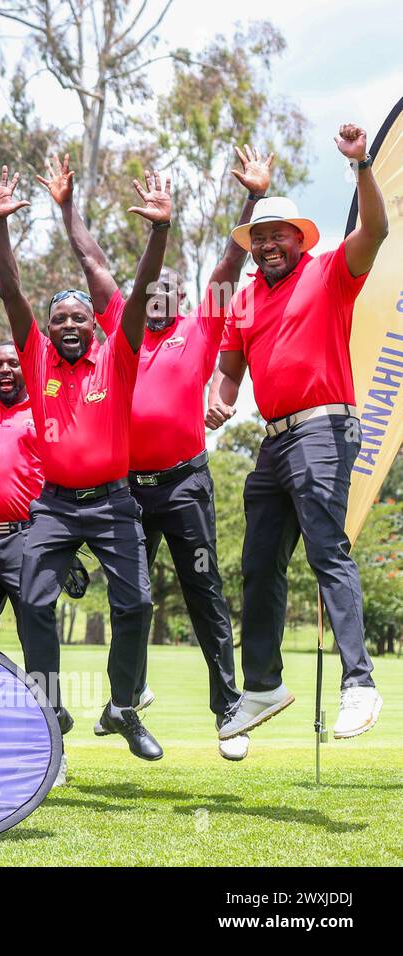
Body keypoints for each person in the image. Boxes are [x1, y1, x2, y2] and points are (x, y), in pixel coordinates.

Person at [38, 148, 272, 761]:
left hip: (184, 484)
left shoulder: (202, 327)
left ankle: (229, 710)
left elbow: (229, 263)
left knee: (203, 590)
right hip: (122, 490)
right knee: (130, 597)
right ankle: (127, 700)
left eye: (173, 287)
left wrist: (250, 201)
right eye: (154, 285)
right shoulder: (118, 324)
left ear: (184, 297)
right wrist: (66, 210)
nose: (162, 292)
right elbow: (90, 259)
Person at [0, 164, 173, 761]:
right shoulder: (36, 359)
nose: (67, 324)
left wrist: (159, 234)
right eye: (58, 317)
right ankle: (49, 709)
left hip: (114, 501)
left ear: (95, 323)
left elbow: (138, 292)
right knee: (35, 604)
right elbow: (11, 290)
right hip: (54, 504)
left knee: (137, 603)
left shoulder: (118, 355)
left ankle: (121, 707)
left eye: (77, 317)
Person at [209, 123, 388, 742]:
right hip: (273, 442)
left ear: (299, 237)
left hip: (323, 430)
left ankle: (359, 684)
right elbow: (229, 372)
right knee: (258, 563)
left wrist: (362, 165)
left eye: (276, 235)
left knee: (325, 551)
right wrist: (221, 399)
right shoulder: (244, 301)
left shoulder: (330, 270)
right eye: (257, 238)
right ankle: (262, 685)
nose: (265, 246)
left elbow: (377, 231)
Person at [0, 343, 45, 645]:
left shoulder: (43, 408)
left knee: (34, 628)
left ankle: (43, 694)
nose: (5, 370)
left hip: (25, 537)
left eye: (13, 364)